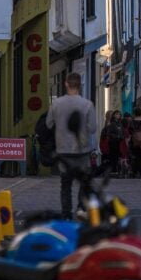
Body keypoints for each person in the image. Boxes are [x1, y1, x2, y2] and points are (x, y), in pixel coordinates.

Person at [45, 72, 96, 219]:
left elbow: (48, 124)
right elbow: (92, 128)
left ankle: (66, 214)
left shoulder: (56, 104)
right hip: (82, 149)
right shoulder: (87, 105)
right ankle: (81, 208)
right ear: (80, 85)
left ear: (66, 84)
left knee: (65, 184)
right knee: (84, 182)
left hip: (63, 149)